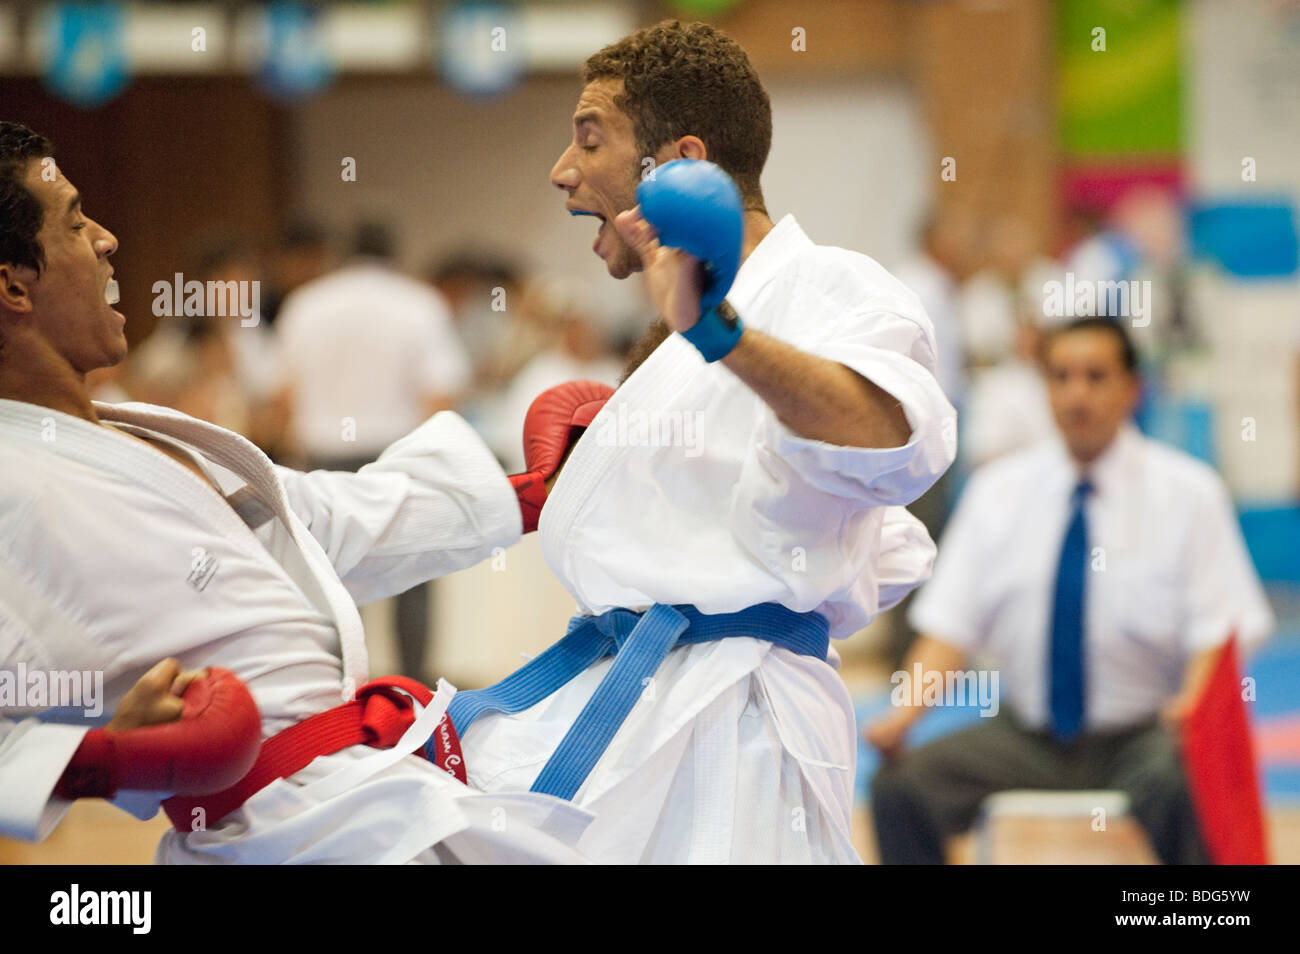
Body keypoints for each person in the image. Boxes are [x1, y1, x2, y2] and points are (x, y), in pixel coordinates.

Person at [0, 122, 591, 863]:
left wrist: (528, 494)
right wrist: (103, 757)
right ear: (13, 283)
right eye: (76, 221)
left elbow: (319, 521)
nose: (107, 239)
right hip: (276, 834)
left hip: (365, 798)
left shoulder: (136, 434)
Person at [451, 20, 956, 864]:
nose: (561, 172)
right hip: (636, 701)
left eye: (589, 139)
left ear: (680, 165)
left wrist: (721, 334)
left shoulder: (829, 286)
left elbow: (894, 434)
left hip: (740, 740)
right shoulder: (672, 332)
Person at [865, 316, 1274, 864]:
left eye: (1095, 376)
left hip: (1142, 735)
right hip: (1026, 738)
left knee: (1185, 782)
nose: (1076, 394)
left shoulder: (1190, 495)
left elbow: (1217, 630)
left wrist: (1191, 709)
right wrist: (902, 717)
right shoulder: (997, 494)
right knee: (900, 788)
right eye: (1060, 377)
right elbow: (950, 628)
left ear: (1133, 388)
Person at [275, 221, 473, 684]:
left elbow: (283, 395)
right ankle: (414, 686)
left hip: (324, 458)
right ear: (393, 254)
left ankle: (339, 688)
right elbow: (439, 394)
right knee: (415, 580)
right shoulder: (420, 304)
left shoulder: (306, 305)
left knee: (332, 581)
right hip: (396, 457)